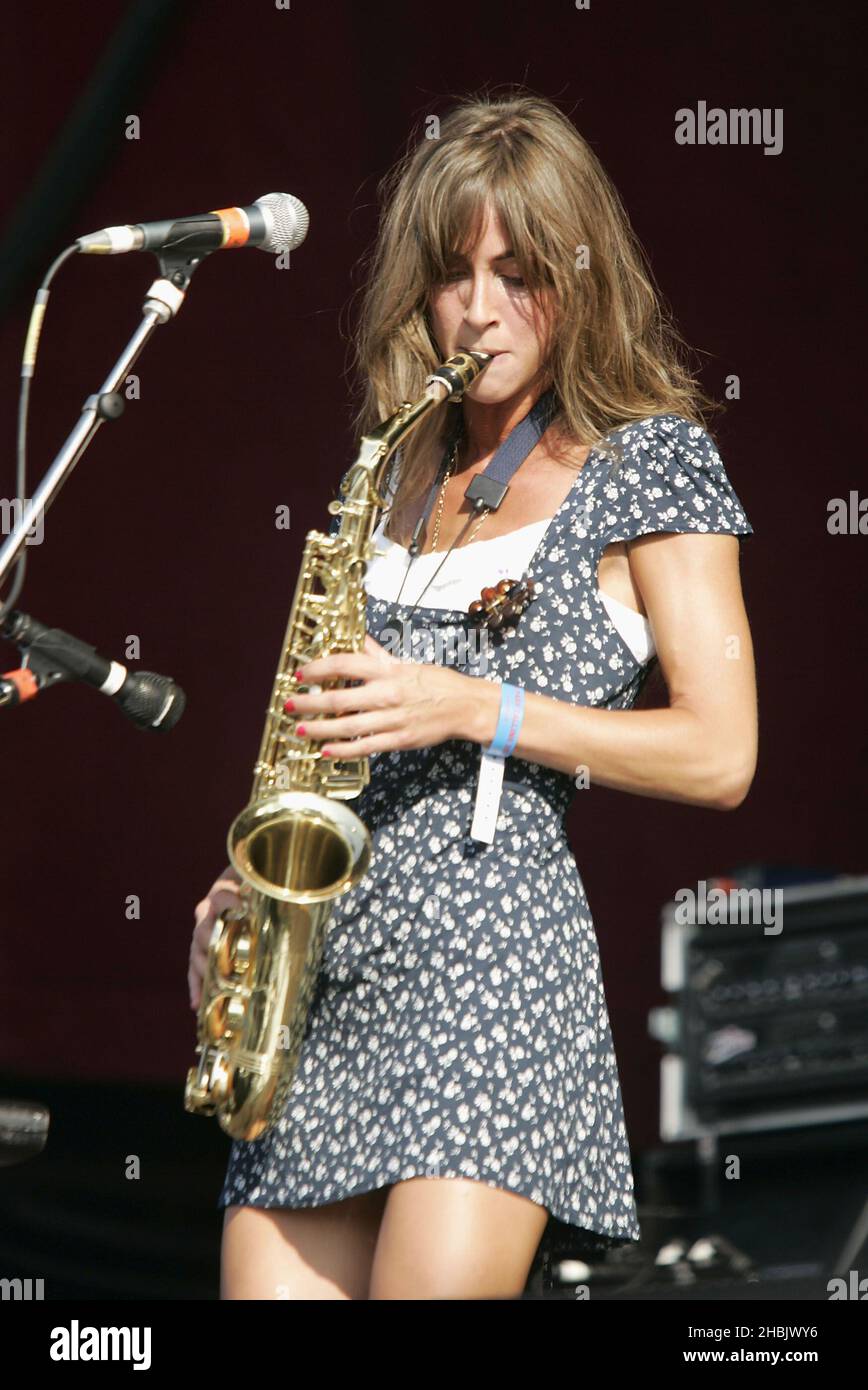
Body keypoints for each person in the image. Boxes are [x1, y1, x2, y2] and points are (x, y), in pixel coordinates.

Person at [188, 88, 757, 1300]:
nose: (480, 308)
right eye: (453, 273)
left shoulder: (651, 458)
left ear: (582, 278)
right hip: (323, 968)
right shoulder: (396, 461)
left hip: (490, 974)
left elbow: (720, 754)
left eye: (520, 273)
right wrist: (243, 890)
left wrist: (474, 705)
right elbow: (321, 727)